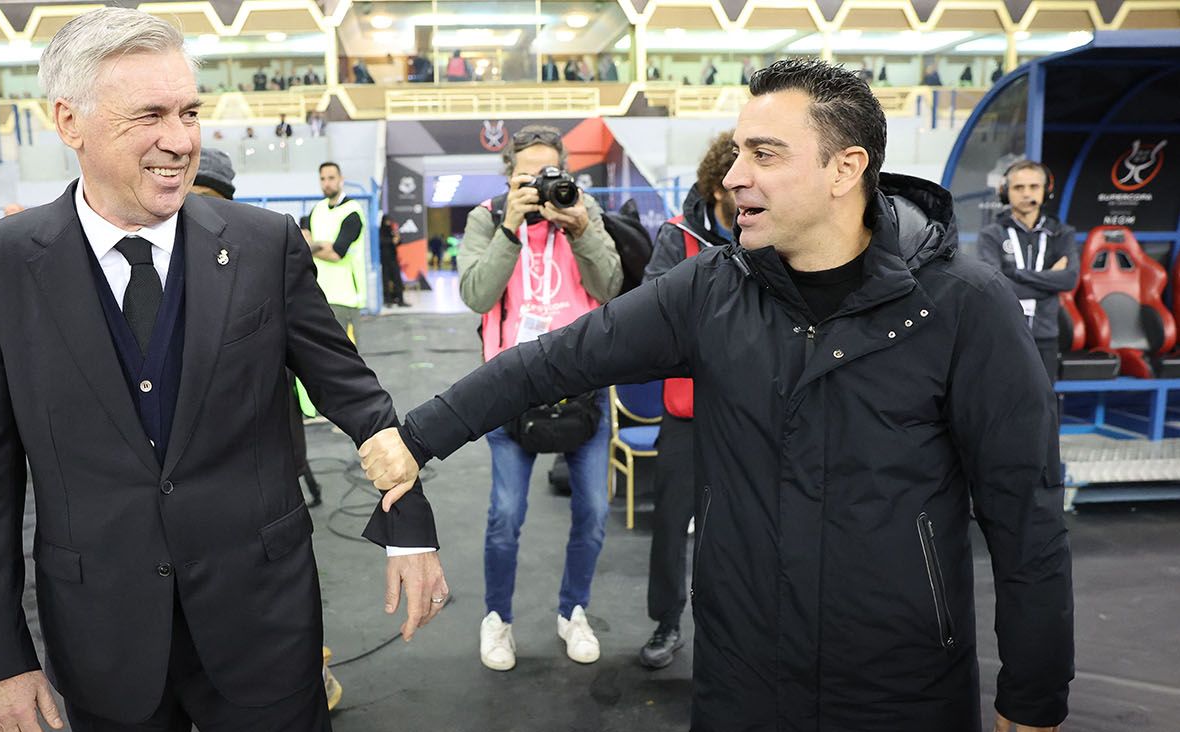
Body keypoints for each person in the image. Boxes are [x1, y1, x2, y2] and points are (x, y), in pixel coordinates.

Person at [362, 59, 1073, 732]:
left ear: (845, 169)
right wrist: (417, 437)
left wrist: (1035, 687)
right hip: (742, 678)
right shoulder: (712, 290)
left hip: (902, 684)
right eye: (737, 153)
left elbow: (1025, 509)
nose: (733, 176)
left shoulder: (962, 306)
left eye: (764, 154)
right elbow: (553, 361)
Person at [0, 9, 447, 732]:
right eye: (149, 115)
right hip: (101, 641)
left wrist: (413, 529)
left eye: (189, 112)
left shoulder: (263, 244)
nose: (179, 141)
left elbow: (354, 396)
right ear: (68, 120)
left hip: (265, 628)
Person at [447, 125, 621, 671]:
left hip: (582, 386)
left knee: (593, 513)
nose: (544, 186)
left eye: (553, 175)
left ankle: (574, 611)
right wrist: (511, 226)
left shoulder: (582, 211)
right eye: (529, 176)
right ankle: (497, 619)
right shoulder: (488, 215)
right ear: (509, 175)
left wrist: (581, 229)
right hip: (510, 389)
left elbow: (612, 285)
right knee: (505, 514)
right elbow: (476, 293)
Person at [637, 131, 737, 670]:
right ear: (718, 186)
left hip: (749, 414)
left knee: (741, 530)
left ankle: (733, 631)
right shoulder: (677, 238)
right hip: (686, 414)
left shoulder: (767, 232)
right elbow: (657, 315)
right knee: (671, 524)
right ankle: (666, 622)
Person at [976, 160, 1077, 384]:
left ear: (1046, 191)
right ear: (1005, 193)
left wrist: (1016, 273)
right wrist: (1050, 283)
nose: (1026, 193)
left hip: (1045, 336)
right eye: (1018, 188)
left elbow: (1069, 279)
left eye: (1033, 187)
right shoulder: (991, 234)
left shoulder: (1062, 234)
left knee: (1044, 409)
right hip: (1004, 334)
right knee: (1002, 406)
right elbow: (996, 286)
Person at [299, 162, 367, 337]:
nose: (326, 183)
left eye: (331, 178)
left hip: (346, 299)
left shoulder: (352, 212)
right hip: (319, 296)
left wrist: (312, 246)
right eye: (322, 179)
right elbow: (303, 242)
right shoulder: (317, 210)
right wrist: (322, 246)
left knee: (348, 358)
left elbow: (337, 253)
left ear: (341, 180)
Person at [379, 214, 407, 307]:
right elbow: (381, 242)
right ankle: (388, 300)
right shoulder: (380, 231)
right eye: (387, 221)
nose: (388, 223)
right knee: (385, 281)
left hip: (393, 259)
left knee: (397, 280)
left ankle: (400, 300)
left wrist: (397, 239)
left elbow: (398, 243)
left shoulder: (392, 231)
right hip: (384, 260)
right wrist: (391, 240)